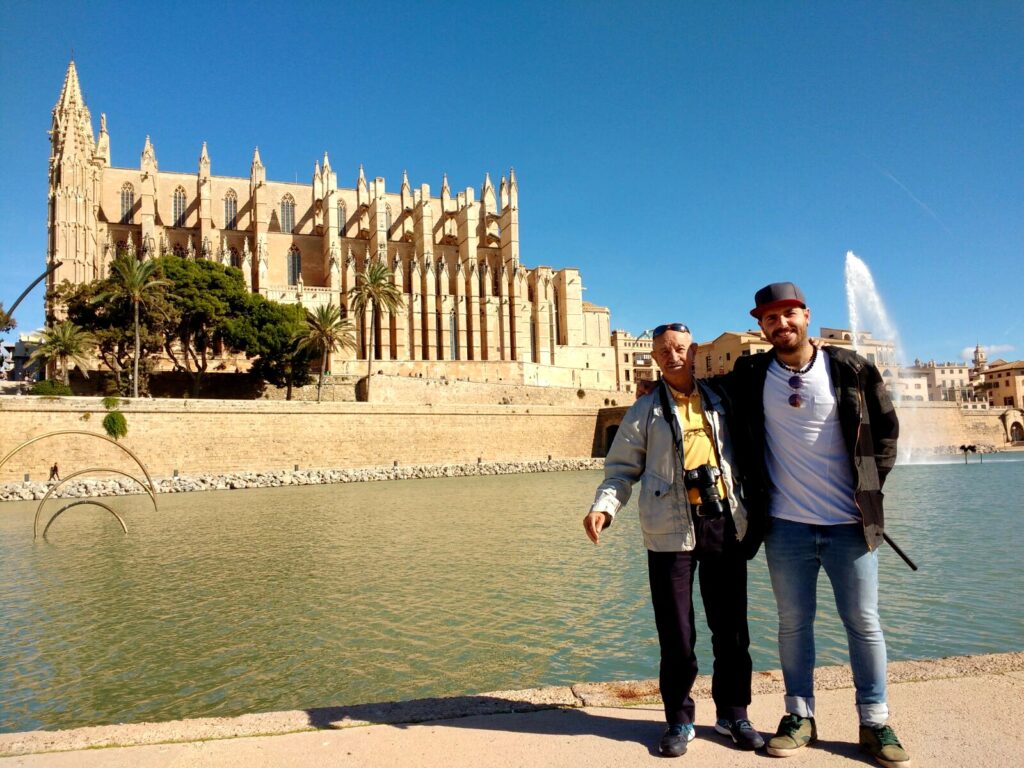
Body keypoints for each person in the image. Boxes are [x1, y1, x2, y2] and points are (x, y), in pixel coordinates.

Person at [727, 282, 909, 767]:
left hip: (851, 525)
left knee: (864, 624)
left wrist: (869, 486)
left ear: (806, 315)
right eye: (770, 318)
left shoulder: (850, 367)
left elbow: (886, 430)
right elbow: (705, 395)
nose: (780, 324)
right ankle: (799, 716)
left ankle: (874, 721)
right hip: (785, 526)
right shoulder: (750, 373)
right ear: (760, 327)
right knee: (793, 625)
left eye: (788, 314)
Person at [584, 322, 765, 758]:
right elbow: (621, 469)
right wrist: (604, 507)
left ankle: (734, 714)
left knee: (731, 630)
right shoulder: (643, 410)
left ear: (694, 350)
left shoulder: (722, 398)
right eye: (664, 350)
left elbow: (763, 376)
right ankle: (679, 720)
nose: (673, 356)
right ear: (654, 357)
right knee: (677, 634)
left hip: (723, 523)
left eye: (680, 348)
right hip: (667, 530)